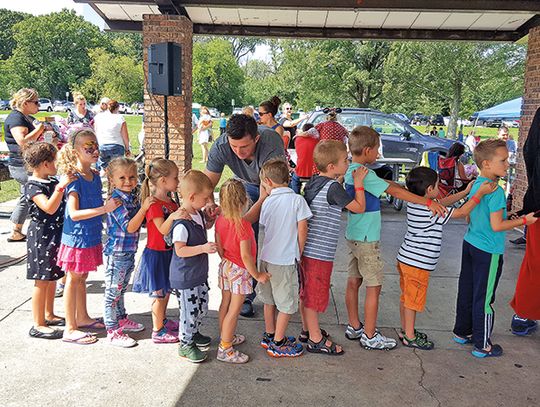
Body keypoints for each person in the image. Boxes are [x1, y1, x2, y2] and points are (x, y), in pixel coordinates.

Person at [343, 126, 446, 350]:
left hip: (354, 235)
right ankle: (370, 335)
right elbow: (395, 193)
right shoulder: (365, 174)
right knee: (374, 286)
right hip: (368, 239)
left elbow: (389, 186)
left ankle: (354, 325)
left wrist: (397, 185)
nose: (378, 153)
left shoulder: (352, 169)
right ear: (368, 150)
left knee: (354, 281)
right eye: (377, 149)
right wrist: (428, 202)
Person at [452, 139, 537, 358]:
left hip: (470, 244)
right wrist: (524, 221)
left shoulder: (478, 185)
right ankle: (483, 345)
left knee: (467, 290)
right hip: (488, 252)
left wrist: (510, 215)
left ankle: (462, 332)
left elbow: (472, 216)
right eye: (503, 160)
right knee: (485, 297)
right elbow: (497, 226)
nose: (508, 163)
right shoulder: (496, 192)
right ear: (487, 164)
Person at [396, 167, 496, 350]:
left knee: (406, 298)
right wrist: (478, 194)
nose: (439, 187)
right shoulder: (431, 211)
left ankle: (405, 330)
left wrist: (464, 192)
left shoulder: (418, 202)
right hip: (417, 264)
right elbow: (461, 213)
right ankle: (409, 336)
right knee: (413, 301)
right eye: (437, 185)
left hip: (406, 259)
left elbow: (443, 202)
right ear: (429, 190)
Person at [204, 113, 286, 317]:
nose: (239, 152)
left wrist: (242, 222)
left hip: (273, 185)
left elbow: (271, 188)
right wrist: (209, 204)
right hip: (245, 184)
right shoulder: (221, 145)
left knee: (273, 232)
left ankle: (277, 281)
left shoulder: (271, 141)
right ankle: (246, 293)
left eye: (244, 147)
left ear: (256, 139)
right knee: (244, 236)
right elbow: (207, 184)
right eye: (234, 147)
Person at [299, 140, 368, 356]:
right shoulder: (334, 188)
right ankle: (316, 340)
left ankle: (307, 330)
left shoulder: (313, 183)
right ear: (331, 167)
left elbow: (329, 190)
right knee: (314, 297)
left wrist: (339, 179)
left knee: (306, 293)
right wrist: (358, 183)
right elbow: (359, 208)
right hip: (319, 254)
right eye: (345, 161)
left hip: (307, 251)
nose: (348, 164)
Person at [56, 128, 121, 344]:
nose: (95, 151)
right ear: (75, 151)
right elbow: (73, 214)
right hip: (76, 237)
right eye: (89, 147)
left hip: (90, 235)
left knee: (82, 277)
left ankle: (82, 317)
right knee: (73, 280)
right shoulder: (74, 179)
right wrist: (105, 209)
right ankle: (70, 327)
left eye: (96, 146)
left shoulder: (93, 176)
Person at [258, 159, 311, 358]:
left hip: (266, 258)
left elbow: (265, 224)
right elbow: (302, 228)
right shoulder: (297, 200)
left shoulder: (268, 201)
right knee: (287, 303)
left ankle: (270, 334)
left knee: (269, 299)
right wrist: (300, 250)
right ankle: (279, 342)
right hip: (285, 259)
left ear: (269, 182)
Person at [214, 179, 270, 363]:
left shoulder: (221, 220)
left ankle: (225, 335)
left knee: (225, 304)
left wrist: (226, 261)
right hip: (239, 270)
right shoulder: (243, 227)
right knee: (235, 309)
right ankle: (225, 348)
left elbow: (220, 246)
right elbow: (247, 256)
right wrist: (257, 275)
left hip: (226, 266)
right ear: (243, 202)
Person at [23, 142, 74, 339]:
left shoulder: (51, 181)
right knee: (41, 280)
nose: (57, 165)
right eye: (54, 162)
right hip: (41, 237)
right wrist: (61, 187)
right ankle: (38, 323)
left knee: (52, 276)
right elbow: (49, 208)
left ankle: (49, 313)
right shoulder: (33, 186)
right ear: (45, 164)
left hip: (55, 235)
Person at [103, 157, 154, 347]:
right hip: (117, 254)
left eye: (132, 177)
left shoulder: (131, 198)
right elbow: (130, 227)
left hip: (128, 252)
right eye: (122, 177)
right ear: (112, 180)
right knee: (112, 292)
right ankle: (112, 329)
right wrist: (144, 208)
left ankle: (121, 318)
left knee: (121, 288)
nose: (128, 181)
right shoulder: (115, 201)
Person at [132, 158, 184, 344]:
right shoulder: (154, 204)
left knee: (166, 291)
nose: (178, 182)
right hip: (156, 254)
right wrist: (176, 215)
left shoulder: (170, 202)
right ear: (163, 181)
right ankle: (157, 330)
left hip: (168, 252)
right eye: (175, 178)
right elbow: (162, 229)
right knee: (159, 294)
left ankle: (162, 320)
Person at [168, 170, 216, 363]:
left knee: (200, 307)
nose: (207, 201)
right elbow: (180, 250)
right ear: (192, 197)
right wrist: (202, 248)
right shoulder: (181, 224)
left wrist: (211, 218)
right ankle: (185, 344)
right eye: (205, 198)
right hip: (185, 277)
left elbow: (205, 227)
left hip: (198, 274)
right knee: (189, 312)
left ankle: (194, 333)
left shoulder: (197, 214)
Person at [510, 107, 540, 336]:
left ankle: (523, 314)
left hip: (538, 203)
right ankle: (523, 313)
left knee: (534, 262)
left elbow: (530, 152)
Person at [4, 88, 45, 242]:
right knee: (35, 192)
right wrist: (40, 129)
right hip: (20, 165)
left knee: (26, 196)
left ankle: (16, 230)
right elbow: (22, 142)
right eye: (36, 102)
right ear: (25, 102)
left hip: (28, 163)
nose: (38, 105)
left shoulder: (26, 117)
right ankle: (26, 228)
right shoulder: (16, 118)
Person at [93, 100, 130, 170]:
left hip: (102, 145)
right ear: (117, 108)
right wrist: (127, 149)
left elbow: (96, 131)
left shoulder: (98, 117)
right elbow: (125, 136)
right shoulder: (120, 118)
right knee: (117, 169)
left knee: (104, 169)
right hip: (117, 145)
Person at [291, 123, 319, 194]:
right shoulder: (317, 140)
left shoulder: (297, 139)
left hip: (300, 171)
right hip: (314, 172)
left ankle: (296, 195)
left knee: (294, 180)